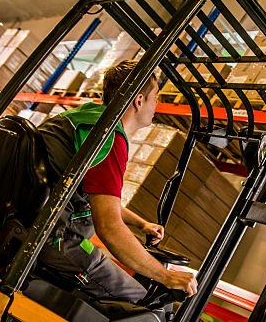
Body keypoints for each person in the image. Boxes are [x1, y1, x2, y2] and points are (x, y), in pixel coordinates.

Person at [37, 59, 197, 302]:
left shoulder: (88, 118)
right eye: (155, 96)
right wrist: (166, 276)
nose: (157, 104)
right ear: (139, 101)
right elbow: (109, 229)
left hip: (40, 227)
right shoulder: (109, 139)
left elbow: (95, 197)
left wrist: (140, 223)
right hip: (54, 240)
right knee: (139, 303)